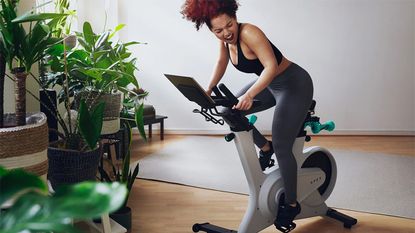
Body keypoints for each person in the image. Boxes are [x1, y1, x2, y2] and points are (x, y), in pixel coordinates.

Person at [181, 0, 313, 231]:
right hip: (271, 86)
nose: (226, 33)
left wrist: (251, 94)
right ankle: (264, 148)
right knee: (227, 111)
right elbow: (221, 62)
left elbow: (270, 66)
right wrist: (208, 89)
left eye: (229, 26)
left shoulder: (249, 32)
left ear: (235, 17)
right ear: (211, 30)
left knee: (283, 145)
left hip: (294, 84)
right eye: (218, 30)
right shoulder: (224, 40)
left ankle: (292, 204)